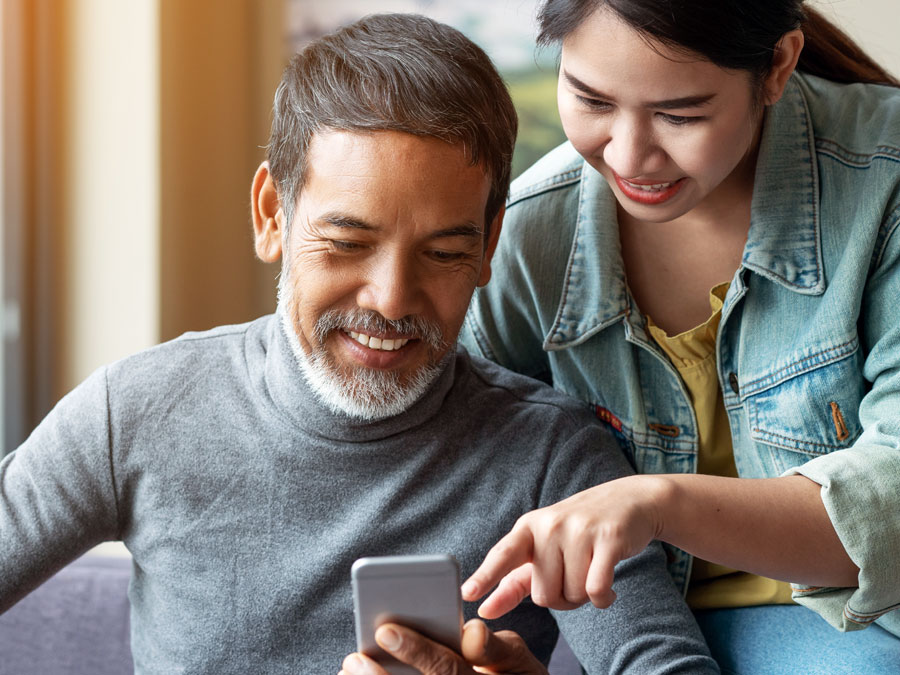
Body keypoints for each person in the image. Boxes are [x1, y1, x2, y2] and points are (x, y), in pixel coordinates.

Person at [0, 13, 718, 675]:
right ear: (272, 216)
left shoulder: (553, 458)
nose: (391, 300)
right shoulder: (136, 411)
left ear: (490, 244)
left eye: (442, 253)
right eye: (348, 242)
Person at [459, 0, 900, 672]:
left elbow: (890, 497)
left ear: (778, 65)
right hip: (631, 627)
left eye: (681, 114)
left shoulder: (884, 178)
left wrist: (658, 504)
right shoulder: (526, 242)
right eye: (590, 100)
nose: (630, 155)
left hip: (855, 620)